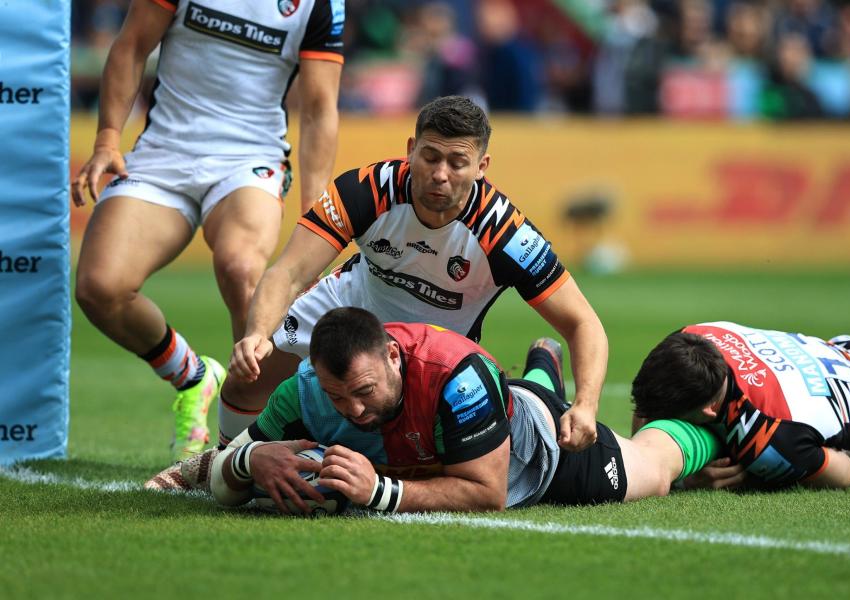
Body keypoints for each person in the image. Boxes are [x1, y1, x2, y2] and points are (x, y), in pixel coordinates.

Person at [218, 95, 607, 456]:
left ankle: (541, 374)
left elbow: (583, 322)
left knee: (417, 450)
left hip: (434, 347)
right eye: (430, 157)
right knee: (247, 380)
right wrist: (255, 335)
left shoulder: (505, 234)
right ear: (410, 150)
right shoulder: (364, 191)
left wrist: (586, 405)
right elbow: (287, 272)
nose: (440, 174)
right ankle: (220, 462)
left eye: (457, 162)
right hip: (350, 306)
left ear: (481, 167)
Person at [70, 0, 344, 460]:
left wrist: (313, 219)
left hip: (250, 157)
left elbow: (319, 108)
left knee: (241, 268)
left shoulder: (318, 4)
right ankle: (194, 377)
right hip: (164, 152)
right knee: (100, 287)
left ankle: (254, 442)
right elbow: (132, 45)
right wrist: (107, 140)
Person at [207, 307, 720, 513]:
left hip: (534, 453)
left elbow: (488, 492)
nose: (354, 409)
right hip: (481, 417)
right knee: (523, 393)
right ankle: (540, 370)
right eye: (338, 397)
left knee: (654, 473)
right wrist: (248, 461)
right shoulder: (304, 392)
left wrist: (378, 492)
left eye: (363, 390)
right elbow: (223, 469)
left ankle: (726, 435)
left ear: (392, 354)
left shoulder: (457, 374)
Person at [631, 321, 850, 489]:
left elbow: (843, 473)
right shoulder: (696, 336)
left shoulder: (765, 436)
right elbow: (647, 404)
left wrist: (760, 474)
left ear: (709, 411)